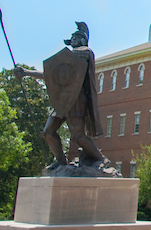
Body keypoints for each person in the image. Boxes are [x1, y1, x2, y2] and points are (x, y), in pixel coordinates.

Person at [15, 21, 115, 175]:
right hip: (63, 101)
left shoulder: (84, 52)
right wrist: (26, 72)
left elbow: (75, 70)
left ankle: (99, 159)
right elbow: (52, 76)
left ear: (83, 39)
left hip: (76, 100)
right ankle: (60, 160)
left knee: (78, 136)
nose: (73, 39)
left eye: (76, 36)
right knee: (48, 131)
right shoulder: (67, 58)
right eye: (72, 37)